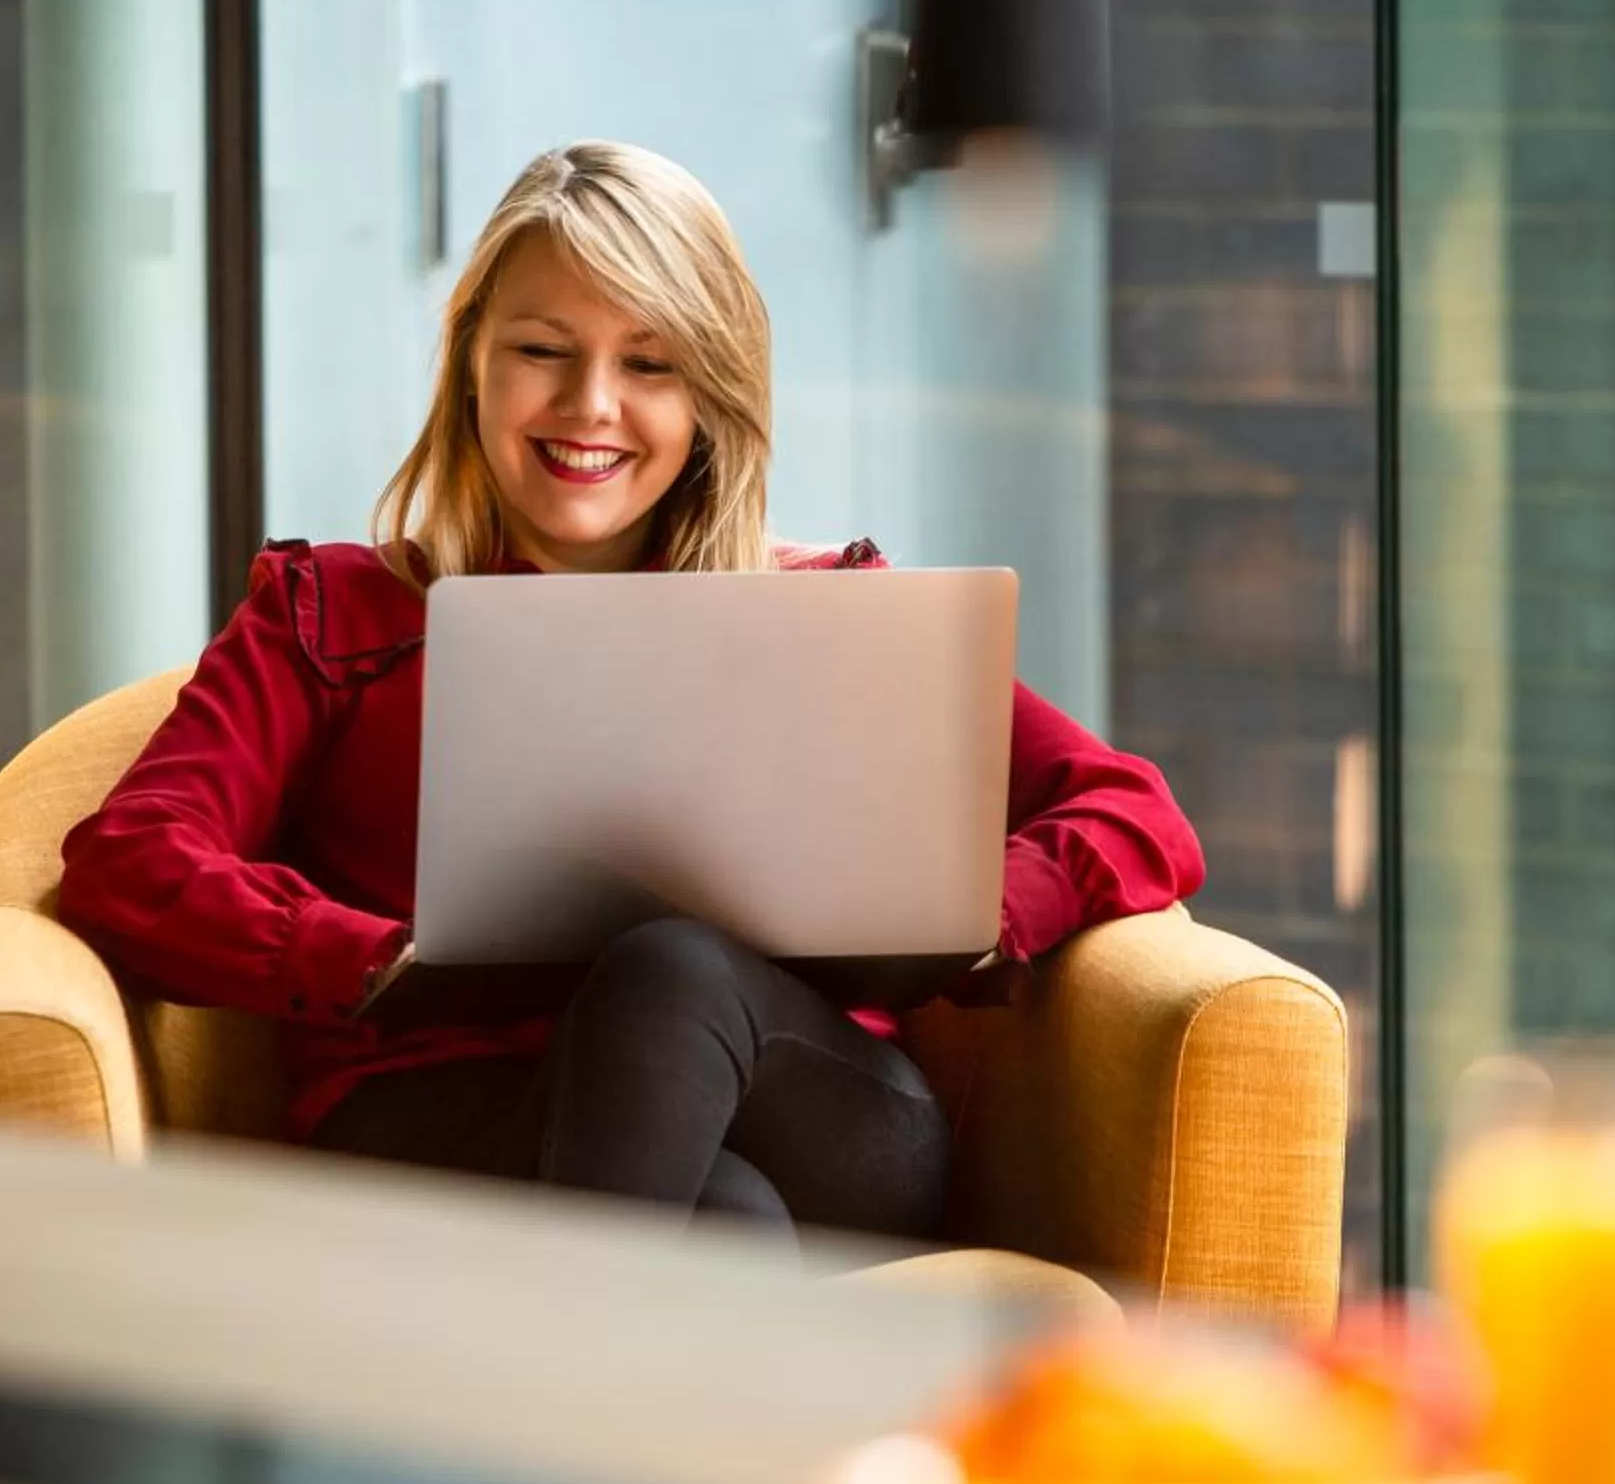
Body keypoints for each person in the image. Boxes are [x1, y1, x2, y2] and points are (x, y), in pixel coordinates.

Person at [58, 140, 1202, 1253]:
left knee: (673, 971)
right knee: (727, 1215)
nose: (590, 402)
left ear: (710, 391)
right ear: (472, 360)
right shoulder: (334, 614)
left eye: (649, 364)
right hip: (450, 1119)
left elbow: (1129, 808)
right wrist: (378, 960)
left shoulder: (831, 615)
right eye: (542, 350)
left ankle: (536, 1378)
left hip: (813, 1109)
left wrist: (967, 920)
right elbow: (131, 859)